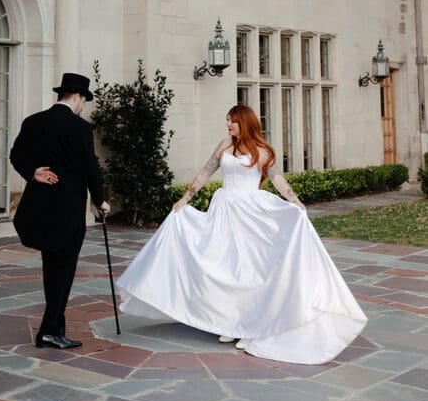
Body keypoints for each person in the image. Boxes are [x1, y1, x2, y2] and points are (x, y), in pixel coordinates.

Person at [116, 104, 367, 364]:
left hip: (251, 213)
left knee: (250, 271)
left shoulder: (261, 150)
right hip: (223, 210)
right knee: (224, 266)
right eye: (227, 121)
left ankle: (252, 327)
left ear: (244, 123)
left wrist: (295, 201)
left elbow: (278, 179)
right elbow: (205, 172)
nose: (229, 125)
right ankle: (230, 323)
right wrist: (185, 199)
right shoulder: (224, 145)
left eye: (233, 122)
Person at [10, 72, 110, 349]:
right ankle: (49, 331)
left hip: (40, 210)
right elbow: (91, 168)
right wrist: (100, 200)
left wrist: (33, 173)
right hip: (67, 212)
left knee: (51, 269)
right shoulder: (80, 128)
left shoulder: (34, 122)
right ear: (77, 97)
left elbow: (15, 155)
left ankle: (55, 325)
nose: (82, 107)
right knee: (63, 272)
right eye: (83, 101)